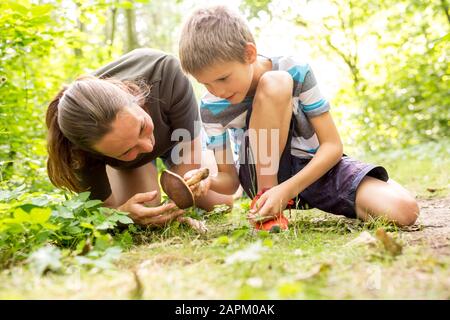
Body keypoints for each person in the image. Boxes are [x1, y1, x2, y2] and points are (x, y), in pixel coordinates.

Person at [178, 6, 419, 231]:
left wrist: (289, 189)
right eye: (205, 84)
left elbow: (333, 146)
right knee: (276, 82)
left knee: (404, 211)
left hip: (312, 169)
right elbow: (229, 181)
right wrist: (207, 182)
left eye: (222, 79)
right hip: (259, 174)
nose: (217, 91)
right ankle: (266, 204)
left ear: (249, 53)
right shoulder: (211, 107)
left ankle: (369, 181)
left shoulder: (296, 70)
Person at [46, 48, 232, 227]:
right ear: (93, 152)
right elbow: (102, 211)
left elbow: (190, 151)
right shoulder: (77, 150)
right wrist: (124, 214)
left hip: (175, 139)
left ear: (134, 96)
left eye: (141, 127)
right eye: (126, 150)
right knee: (147, 210)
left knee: (220, 204)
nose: (148, 146)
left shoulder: (165, 72)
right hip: (134, 164)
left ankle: (214, 166)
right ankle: (130, 157)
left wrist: (177, 203)